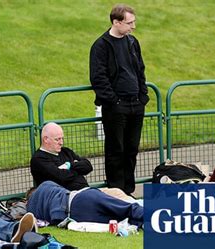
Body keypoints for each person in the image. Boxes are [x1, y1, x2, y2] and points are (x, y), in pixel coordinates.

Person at [89, 4, 149, 195]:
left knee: (131, 150)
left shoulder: (132, 42)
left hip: (136, 104)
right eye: (129, 23)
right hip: (115, 107)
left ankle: (128, 191)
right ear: (116, 22)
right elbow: (98, 77)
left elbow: (140, 70)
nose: (133, 26)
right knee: (116, 151)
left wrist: (143, 96)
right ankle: (116, 192)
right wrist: (113, 101)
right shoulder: (101, 46)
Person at [26, 181, 143, 228]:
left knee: (120, 220)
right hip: (81, 198)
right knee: (127, 208)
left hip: (76, 217)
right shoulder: (46, 185)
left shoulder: (32, 212)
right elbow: (64, 189)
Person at [30, 123, 93, 190]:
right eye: (57, 139)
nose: (61, 143)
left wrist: (69, 165)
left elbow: (88, 166)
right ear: (46, 139)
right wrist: (78, 168)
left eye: (62, 139)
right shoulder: (38, 159)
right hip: (63, 197)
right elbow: (61, 177)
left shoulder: (66, 151)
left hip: (85, 191)